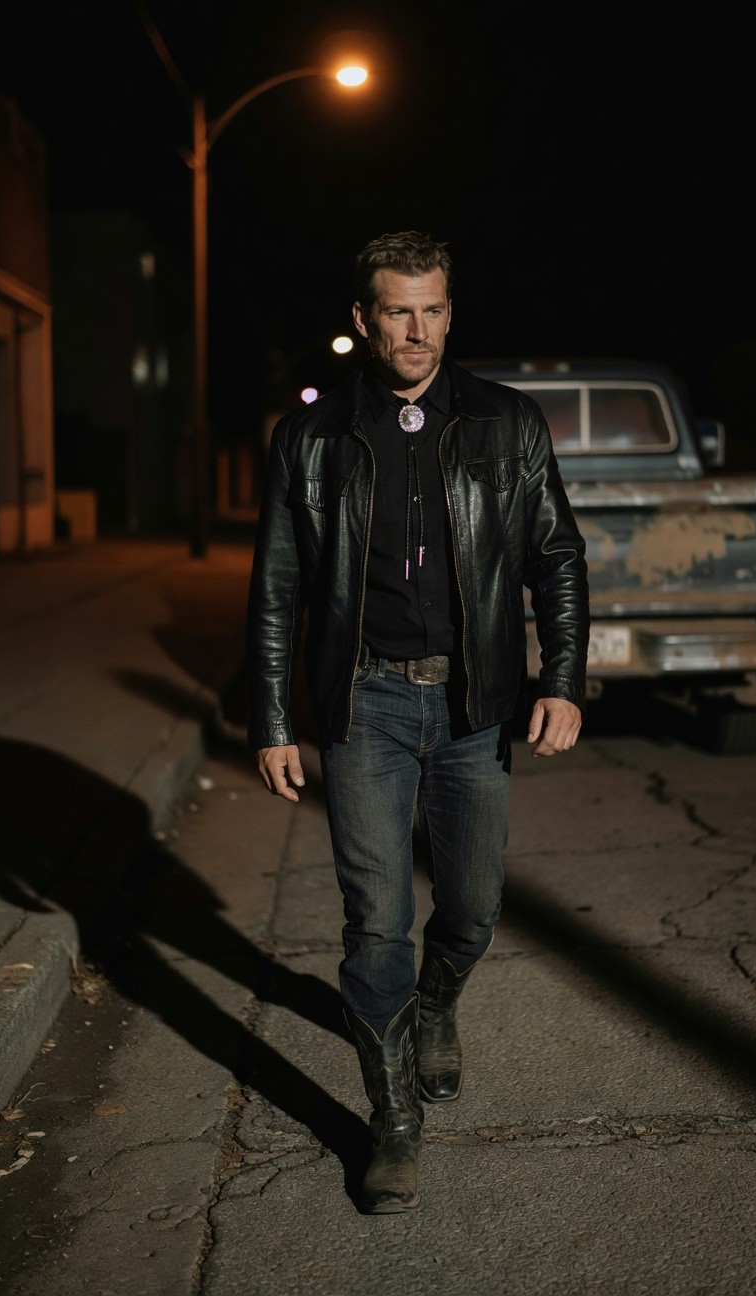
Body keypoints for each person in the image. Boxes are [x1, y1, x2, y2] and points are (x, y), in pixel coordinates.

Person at [246, 230, 589, 1214]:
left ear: (450, 310)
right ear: (364, 318)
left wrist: (560, 676)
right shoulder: (309, 439)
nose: (417, 330)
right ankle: (393, 1122)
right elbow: (276, 588)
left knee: (473, 910)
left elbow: (555, 557)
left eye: (433, 308)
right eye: (398, 310)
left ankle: (438, 1001)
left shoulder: (505, 423)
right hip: (367, 706)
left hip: (475, 706)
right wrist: (273, 717)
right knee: (375, 928)